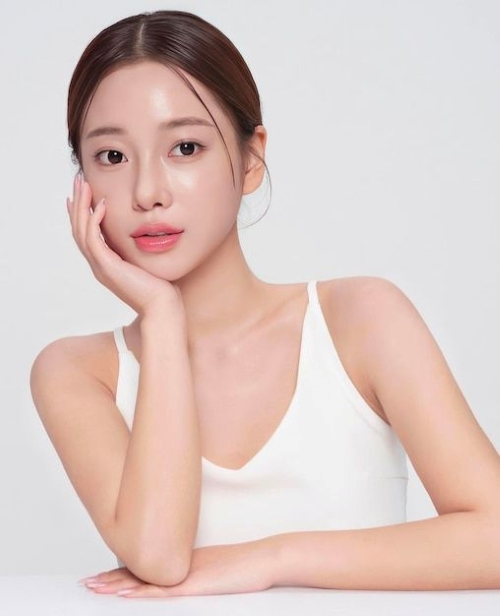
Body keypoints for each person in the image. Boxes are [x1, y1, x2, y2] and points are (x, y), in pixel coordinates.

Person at [30, 10, 500, 598]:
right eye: (112, 157)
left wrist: (272, 558)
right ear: (83, 182)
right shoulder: (77, 373)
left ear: (251, 159)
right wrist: (163, 318)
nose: (148, 192)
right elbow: (159, 556)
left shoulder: (360, 322)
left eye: (185, 147)